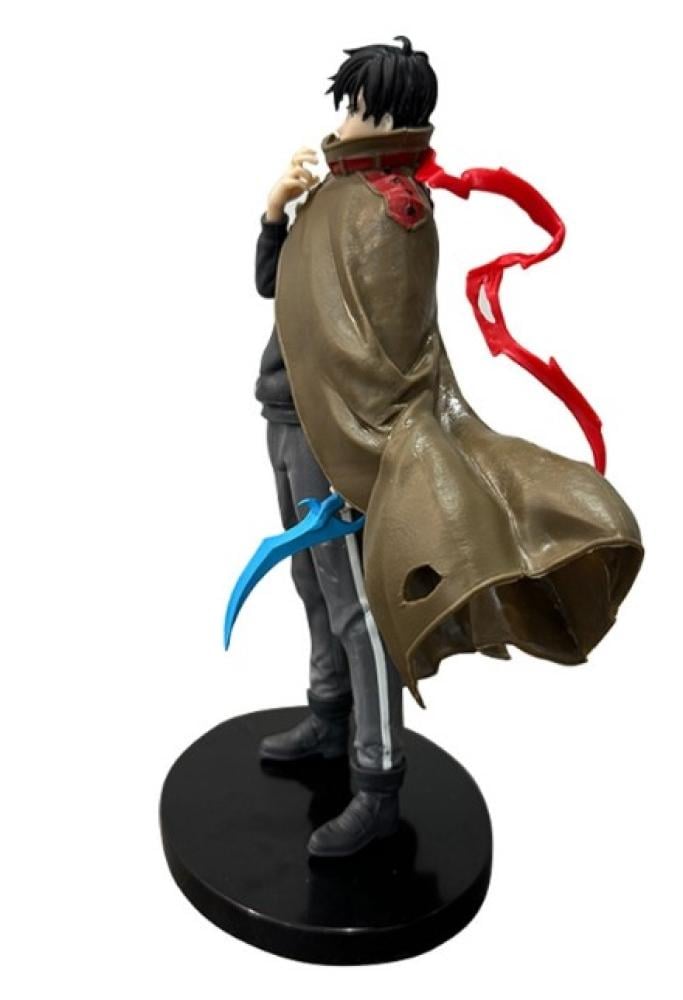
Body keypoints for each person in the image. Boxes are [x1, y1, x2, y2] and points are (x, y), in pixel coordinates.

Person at [251, 36, 643, 859]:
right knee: (311, 585)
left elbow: (392, 357)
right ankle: (328, 715)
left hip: (339, 438)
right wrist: (275, 213)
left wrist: (368, 456)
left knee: (361, 609)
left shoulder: (395, 210)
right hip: (285, 411)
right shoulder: (332, 195)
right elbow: (272, 287)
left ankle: (376, 780)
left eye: (357, 105)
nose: (343, 118)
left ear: (388, 113)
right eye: (345, 103)